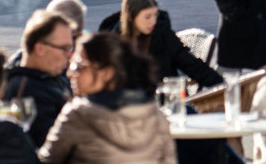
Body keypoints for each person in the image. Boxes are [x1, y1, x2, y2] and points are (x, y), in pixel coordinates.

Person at [39, 32, 176, 163]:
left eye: (79, 67)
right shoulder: (157, 115)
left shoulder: (78, 114)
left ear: (107, 74)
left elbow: (47, 160)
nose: (70, 73)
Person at [98, 0, 223, 89]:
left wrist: (223, 86)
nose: (153, 21)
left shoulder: (163, 34)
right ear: (131, 17)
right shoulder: (113, 41)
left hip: (164, 101)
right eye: (147, 17)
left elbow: (191, 65)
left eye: (155, 15)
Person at [2, 10, 75, 147]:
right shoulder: (23, 91)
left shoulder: (50, 77)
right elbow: (49, 147)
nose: (70, 55)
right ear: (40, 48)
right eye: (64, 48)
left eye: (70, 48)